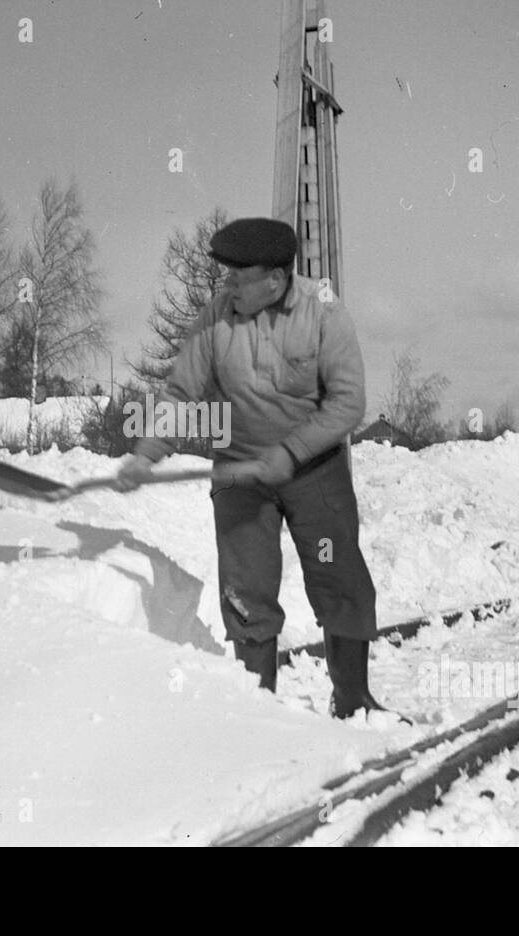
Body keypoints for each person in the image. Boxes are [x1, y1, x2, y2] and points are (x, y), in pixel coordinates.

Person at [116, 217, 386, 719]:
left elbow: (348, 404)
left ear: (276, 281)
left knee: (337, 577)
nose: (229, 287)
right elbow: (181, 394)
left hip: (314, 471)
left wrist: (288, 454)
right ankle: (257, 718)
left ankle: (354, 701)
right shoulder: (217, 318)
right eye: (228, 277)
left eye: (240, 278)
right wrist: (145, 453)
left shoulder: (324, 313)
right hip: (240, 473)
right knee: (246, 592)